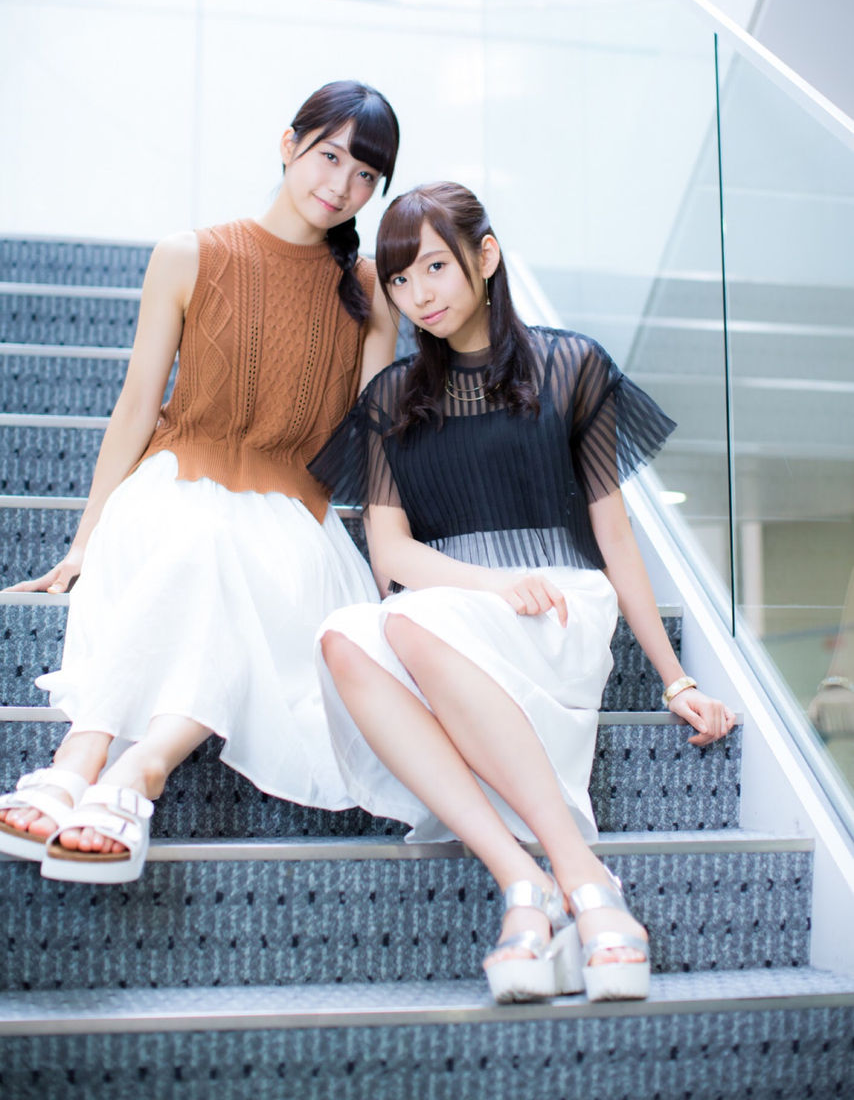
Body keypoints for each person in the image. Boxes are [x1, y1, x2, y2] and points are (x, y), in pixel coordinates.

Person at [310, 181, 737, 1004]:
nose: (418, 294)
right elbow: (390, 553)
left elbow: (616, 536)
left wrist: (675, 678)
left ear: (487, 255)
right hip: (453, 608)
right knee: (343, 638)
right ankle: (524, 879)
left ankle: (582, 875)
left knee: (407, 624)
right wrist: (494, 584)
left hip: (558, 606)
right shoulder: (393, 398)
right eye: (399, 279)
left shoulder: (572, 366)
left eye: (435, 267)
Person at [0, 79, 400, 884]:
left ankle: (105, 761)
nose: (341, 186)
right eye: (329, 157)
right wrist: (83, 542)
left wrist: (396, 568)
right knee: (200, 536)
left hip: (292, 515)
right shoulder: (189, 255)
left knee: (221, 548)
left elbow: (381, 448)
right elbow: (135, 408)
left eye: (365, 175)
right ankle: (117, 769)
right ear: (288, 145)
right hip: (172, 488)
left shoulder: (368, 296)